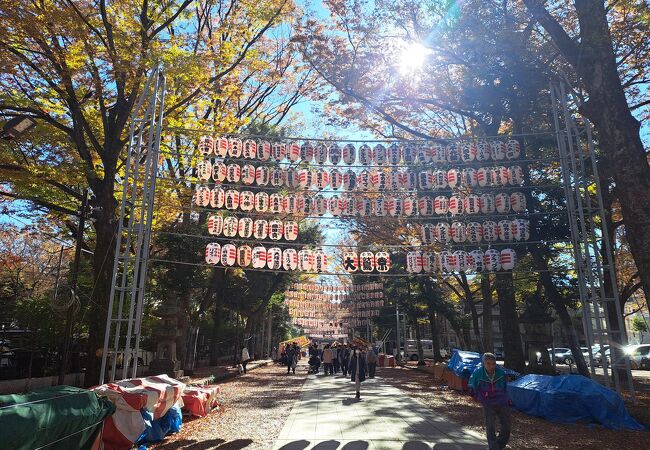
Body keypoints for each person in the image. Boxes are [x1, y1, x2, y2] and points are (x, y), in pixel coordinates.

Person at [468, 353, 511, 450]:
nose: (491, 366)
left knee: (506, 427)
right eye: (488, 364)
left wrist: (507, 399)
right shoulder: (478, 373)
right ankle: (493, 447)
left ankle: (499, 445)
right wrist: (478, 397)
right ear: (483, 363)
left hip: (502, 402)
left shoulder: (501, 373)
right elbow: (471, 387)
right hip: (488, 403)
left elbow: (505, 387)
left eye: (493, 364)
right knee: (490, 426)